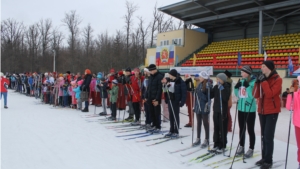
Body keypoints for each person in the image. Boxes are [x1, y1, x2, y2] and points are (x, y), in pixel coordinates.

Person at [253, 60, 282, 169]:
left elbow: (270, 94)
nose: (261, 68)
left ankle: (269, 160)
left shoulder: (277, 79)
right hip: (262, 111)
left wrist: (264, 82)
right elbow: (255, 95)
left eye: (264, 66)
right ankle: (264, 157)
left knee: (268, 137)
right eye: (261, 66)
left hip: (272, 111)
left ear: (269, 68)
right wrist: (257, 82)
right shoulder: (262, 79)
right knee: (263, 136)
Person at [234, 66, 257, 158]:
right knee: (241, 129)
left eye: (243, 72)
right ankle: (241, 146)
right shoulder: (242, 81)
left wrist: (247, 86)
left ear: (247, 73)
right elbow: (238, 95)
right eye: (241, 72)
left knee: (250, 129)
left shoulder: (253, 82)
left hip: (250, 109)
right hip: (241, 108)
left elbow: (252, 96)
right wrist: (236, 88)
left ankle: (251, 148)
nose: (241, 74)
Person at [162, 69, 187, 138]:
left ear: (173, 75)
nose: (169, 76)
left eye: (170, 74)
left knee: (175, 116)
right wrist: (165, 86)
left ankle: (176, 131)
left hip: (176, 100)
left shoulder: (180, 81)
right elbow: (166, 90)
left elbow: (184, 92)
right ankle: (171, 130)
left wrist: (182, 101)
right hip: (170, 100)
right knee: (171, 116)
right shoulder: (169, 81)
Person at [211, 73, 231, 153]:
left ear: (222, 80)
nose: (217, 81)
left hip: (223, 111)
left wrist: (222, 89)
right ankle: (216, 143)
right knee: (216, 127)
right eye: (216, 79)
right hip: (216, 109)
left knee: (222, 128)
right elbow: (211, 95)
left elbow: (225, 98)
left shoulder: (226, 87)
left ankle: (222, 144)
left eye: (218, 79)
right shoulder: (216, 86)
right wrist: (208, 89)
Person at [193, 71, 212, 147]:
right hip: (198, 106)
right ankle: (198, 138)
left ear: (204, 77)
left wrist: (200, 93)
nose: (199, 78)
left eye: (200, 77)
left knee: (205, 123)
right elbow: (197, 97)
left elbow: (208, 98)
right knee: (198, 123)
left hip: (204, 107)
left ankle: (206, 139)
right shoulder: (199, 84)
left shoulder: (208, 85)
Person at [145, 64, 164, 133]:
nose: (150, 72)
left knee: (156, 113)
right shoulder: (151, 77)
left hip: (156, 98)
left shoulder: (159, 77)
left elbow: (159, 89)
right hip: (150, 97)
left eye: (150, 70)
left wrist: (157, 99)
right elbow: (148, 87)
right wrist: (146, 96)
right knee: (151, 112)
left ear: (154, 70)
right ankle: (154, 125)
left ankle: (158, 126)